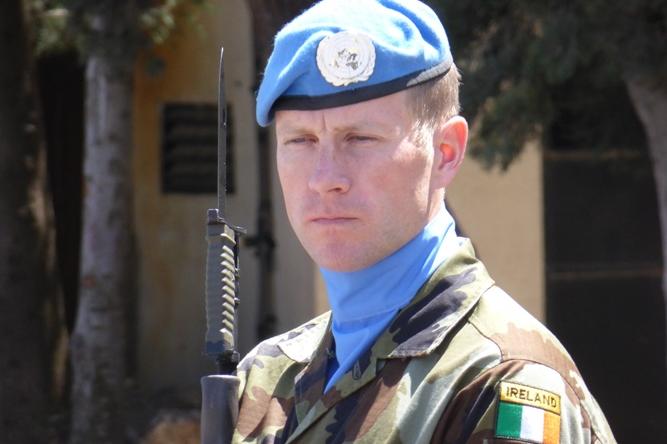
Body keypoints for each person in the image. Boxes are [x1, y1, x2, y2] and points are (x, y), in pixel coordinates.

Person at [232, 0, 616, 442]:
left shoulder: (502, 383)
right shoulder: (265, 379)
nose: (325, 179)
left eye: (360, 138)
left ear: (446, 152)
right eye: (300, 141)